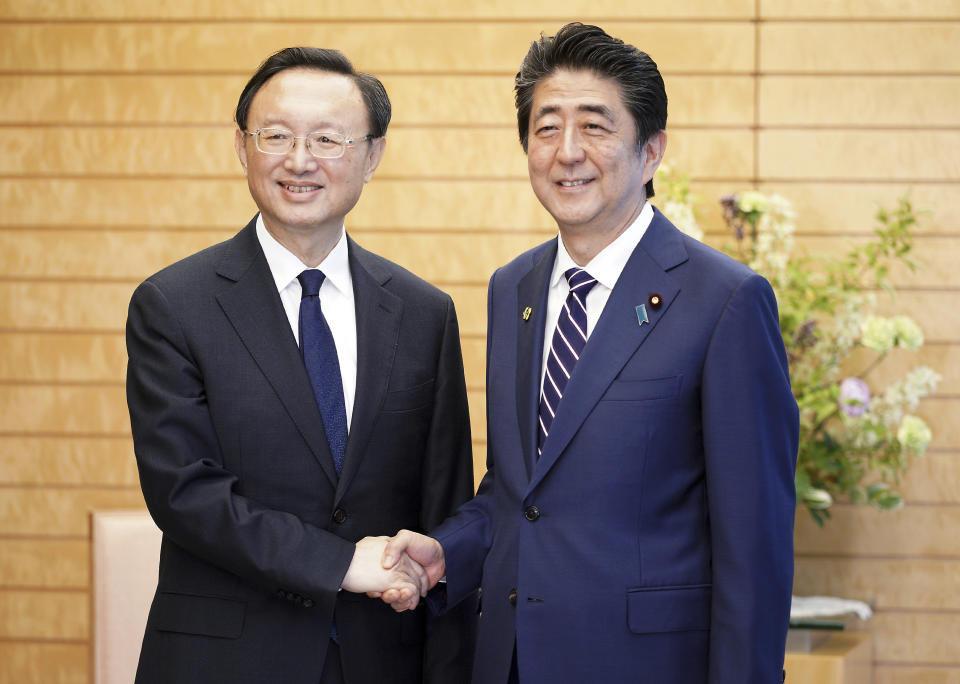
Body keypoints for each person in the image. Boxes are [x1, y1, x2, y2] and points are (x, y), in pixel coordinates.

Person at [377, 23, 799, 683]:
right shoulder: (511, 287)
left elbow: (756, 545)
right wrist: (445, 550)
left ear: (651, 151)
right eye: (547, 128)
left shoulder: (725, 301)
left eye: (595, 127)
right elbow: (521, 490)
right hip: (510, 661)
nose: (567, 152)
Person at [125, 47, 476, 684]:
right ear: (242, 146)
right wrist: (342, 564)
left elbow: (444, 500)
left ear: (373, 156)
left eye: (328, 138)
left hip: (384, 657)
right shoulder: (174, 305)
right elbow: (185, 494)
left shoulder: (425, 313)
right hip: (226, 659)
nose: (299, 160)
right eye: (276, 135)